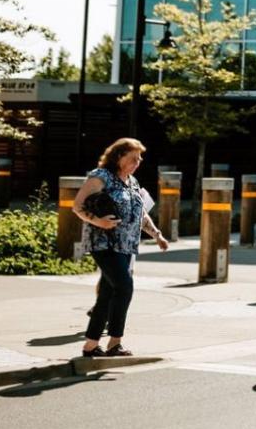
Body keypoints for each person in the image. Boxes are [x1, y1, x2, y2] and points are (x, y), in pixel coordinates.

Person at [72, 138, 170, 358]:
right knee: (124, 286)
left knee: (107, 294)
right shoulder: (101, 176)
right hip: (104, 243)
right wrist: (99, 222)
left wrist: (157, 235)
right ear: (118, 157)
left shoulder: (132, 182)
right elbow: (77, 206)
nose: (138, 161)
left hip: (126, 246)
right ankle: (114, 342)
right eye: (133, 157)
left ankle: (90, 346)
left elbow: (141, 213)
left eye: (140, 158)